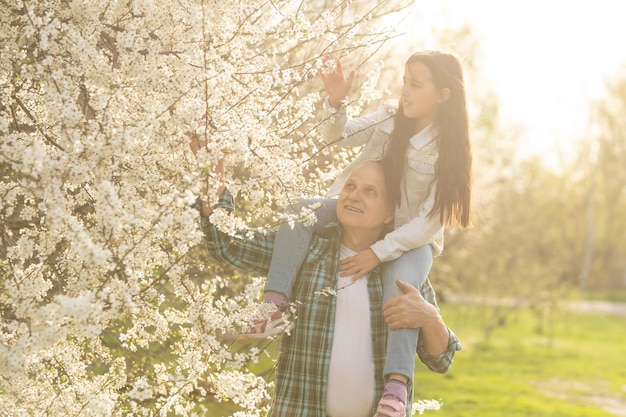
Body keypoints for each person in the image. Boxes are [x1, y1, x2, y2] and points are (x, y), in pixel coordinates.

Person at [248, 51, 472, 416]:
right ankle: (274, 305)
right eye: (405, 81)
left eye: (416, 85)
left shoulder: (448, 152)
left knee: (402, 299)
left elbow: (429, 223)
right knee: (298, 213)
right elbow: (338, 138)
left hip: (410, 241)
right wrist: (336, 100)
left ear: (444, 94)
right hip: (366, 213)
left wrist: (379, 252)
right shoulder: (388, 118)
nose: (406, 91)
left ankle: (396, 388)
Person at [198, 160, 461, 417]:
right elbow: (224, 243)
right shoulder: (302, 252)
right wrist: (212, 165)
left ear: (391, 212)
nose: (354, 196)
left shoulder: (401, 272)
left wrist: (430, 317)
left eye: (370, 191)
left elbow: (441, 360)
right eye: (350, 186)